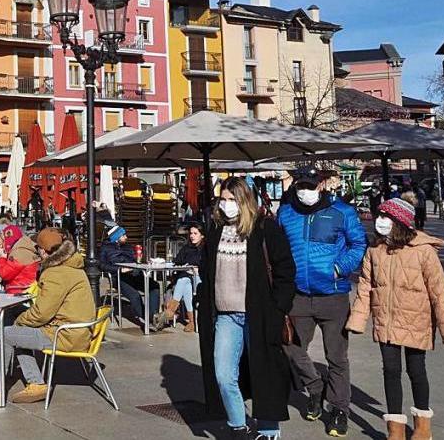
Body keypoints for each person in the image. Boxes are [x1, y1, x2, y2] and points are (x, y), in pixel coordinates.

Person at [346, 197, 444, 440]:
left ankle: (422, 427)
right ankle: (395, 430)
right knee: (390, 370)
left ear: (400, 221)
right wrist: (357, 321)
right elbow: (366, 286)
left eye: (386, 217)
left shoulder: (424, 251)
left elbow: (439, 291)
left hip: (416, 320)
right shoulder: (375, 250)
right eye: (380, 216)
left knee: (416, 370)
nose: (380, 221)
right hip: (385, 319)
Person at [198, 176, 296, 440]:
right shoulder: (215, 231)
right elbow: (206, 272)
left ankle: (268, 430)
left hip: (260, 315)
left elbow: (286, 272)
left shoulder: (266, 230)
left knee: (265, 371)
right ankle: (238, 427)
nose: (226, 204)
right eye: (223, 199)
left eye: (233, 200)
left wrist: (277, 310)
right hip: (226, 316)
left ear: (245, 202)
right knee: (223, 374)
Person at [276, 166, 366, 436]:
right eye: (301, 186)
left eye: (311, 186)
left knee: (336, 357)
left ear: (322, 185)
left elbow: (358, 244)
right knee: (289, 347)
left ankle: (339, 409)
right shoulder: (286, 213)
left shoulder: (342, 212)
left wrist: (340, 268)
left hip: (333, 294)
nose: (305, 191)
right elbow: (278, 248)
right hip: (298, 296)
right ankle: (315, 387)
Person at [0, 227, 95, 404]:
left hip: (64, 334)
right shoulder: (73, 266)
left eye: (38, 248)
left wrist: (20, 321)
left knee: (7, 333)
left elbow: (42, 313)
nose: (36, 252)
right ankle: (35, 382)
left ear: (44, 250)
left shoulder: (56, 273)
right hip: (77, 331)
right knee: (18, 333)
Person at [98, 225, 158, 327]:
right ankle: (146, 318)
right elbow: (102, 265)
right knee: (135, 295)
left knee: (154, 286)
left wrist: (142, 261)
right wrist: (120, 270)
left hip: (134, 274)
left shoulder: (128, 247)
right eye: (123, 235)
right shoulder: (105, 248)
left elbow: (134, 261)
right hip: (118, 277)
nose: (126, 237)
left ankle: (153, 315)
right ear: (116, 237)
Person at [153, 223, 205, 332]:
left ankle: (169, 312)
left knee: (186, 280)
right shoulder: (187, 247)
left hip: (201, 278)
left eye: (195, 233)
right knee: (184, 281)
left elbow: (204, 264)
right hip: (187, 278)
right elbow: (177, 261)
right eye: (191, 233)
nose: (192, 236)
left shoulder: (205, 249)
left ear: (202, 235)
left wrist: (196, 269)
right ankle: (192, 321)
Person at [0, 225, 39, 295]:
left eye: (3, 240)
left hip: (19, 292)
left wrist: (2, 258)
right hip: (27, 289)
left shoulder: (19, 252)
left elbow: (5, 274)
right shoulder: (26, 248)